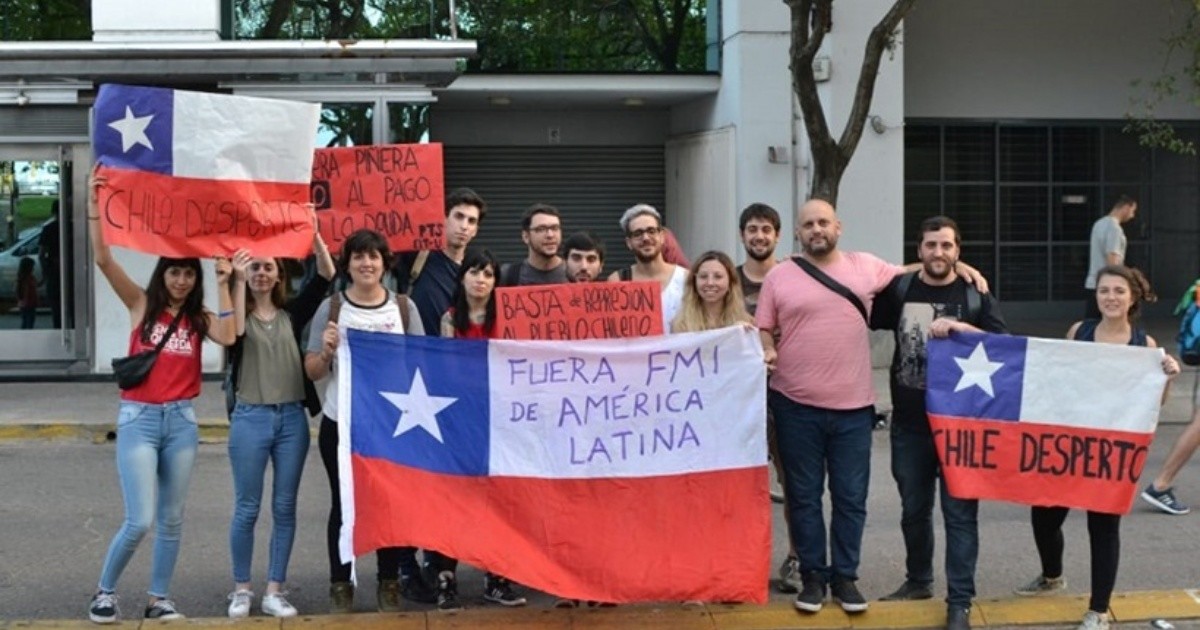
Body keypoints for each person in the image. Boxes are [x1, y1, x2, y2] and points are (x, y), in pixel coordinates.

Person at [756, 198, 987, 615]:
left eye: (823, 222)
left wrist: (963, 269)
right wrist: (768, 349)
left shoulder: (866, 267)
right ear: (798, 232)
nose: (816, 229)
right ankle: (813, 577)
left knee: (850, 498)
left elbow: (920, 269)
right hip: (794, 405)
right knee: (804, 496)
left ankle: (845, 577)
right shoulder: (780, 276)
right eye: (808, 224)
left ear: (838, 227)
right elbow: (764, 329)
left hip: (853, 408)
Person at [86, 171, 237, 624]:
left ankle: (159, 599)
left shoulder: (199, 318)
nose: (182, 280)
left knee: (172, 520)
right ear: (163, 273)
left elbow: (231, 333)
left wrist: (226, 280)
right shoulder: (140, 305)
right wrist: (94, 204)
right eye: (175, 271)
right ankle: (105, 591)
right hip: (139, 420)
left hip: (181, 424)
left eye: (190, 273)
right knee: (141, 519)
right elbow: (103, 259)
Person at [1014, 265, 1179, 630]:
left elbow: (1155, 403)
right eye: (1104, 290)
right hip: (1068, 444)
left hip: (1111, 452)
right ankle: (1052, 575)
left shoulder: (1145, 345)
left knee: (1103, 527)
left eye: (1119, 291)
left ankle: (1099, 609)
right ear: (1097, 296)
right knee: (1044, 515)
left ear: (1132, 297)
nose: (1111, 297)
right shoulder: (1080, 332)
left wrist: (1165, 376)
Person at [870, 216, 1009, 630]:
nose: (939, 253)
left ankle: (960, 601)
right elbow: (862, 302)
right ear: (919, 251)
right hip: (910, 424)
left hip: (961, 428)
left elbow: (1004, 345)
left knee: (959, 516)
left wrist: (964, 327)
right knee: (914, 510)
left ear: (957, 250)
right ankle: (918, 581)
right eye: (931, 245)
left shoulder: (975, 292)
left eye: (946, 246)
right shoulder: (899, 289)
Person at [304, 229, 424, 614]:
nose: (366, 264)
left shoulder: (404, 309)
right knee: (343, 505)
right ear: (348, 264)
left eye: (373, 256)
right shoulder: (332, 308)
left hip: (391, 426)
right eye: (358, 257)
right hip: (341, 425)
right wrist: (325, 352)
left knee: (386, 503)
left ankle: (388, 581)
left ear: (386, 262)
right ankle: (341, 584)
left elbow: (423, 366)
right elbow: (312, 372)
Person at [223, 228, 335, 619]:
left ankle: (274, 588)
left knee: (285, 507)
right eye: (254, 267)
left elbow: (325, 271)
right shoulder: (237, 315)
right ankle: (241, 588)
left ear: (279, 275)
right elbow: (234, 333)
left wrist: (314, 234)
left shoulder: (293, 314)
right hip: (250, 418)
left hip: (291, 419)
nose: (261, 273)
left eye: (268, 267)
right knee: (247, 508)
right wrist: (236, 281)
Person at [390, 188, 486, 602]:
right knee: (409, 483)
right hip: (411, 388)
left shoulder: (477, 273)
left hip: (457, 396)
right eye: (458, 217)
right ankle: (404, 567)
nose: (464, 226)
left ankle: (438, 563)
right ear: (442, 219)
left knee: (448, 487)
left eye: (472, 221)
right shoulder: (419, 257)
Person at [428, 248, 527, 610]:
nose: (481, 280)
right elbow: (447, 371)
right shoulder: (450, 319)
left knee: (497, 500)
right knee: (453, 502)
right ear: (463, 277)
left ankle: (496, 577)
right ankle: (446, 577)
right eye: (475, 272)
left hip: (502, 423)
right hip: (458, 423)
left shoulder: (512, 317)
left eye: (488, 274)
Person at [735, 202, 795, 582]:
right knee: (737, 484)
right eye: (752, 229)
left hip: (788, 393)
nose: (759, 236)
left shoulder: (793, 276)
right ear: (742, 235)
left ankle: (797, 557)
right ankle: (739, 561)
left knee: (794, 482)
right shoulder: (724, 278)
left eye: (766, 229)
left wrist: (962, 268)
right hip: (737, 399)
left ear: (777, 235)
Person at [607, 204, 688, 331]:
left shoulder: (686, 278)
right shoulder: (617, 281)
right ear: (629, 243)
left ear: (662, 236)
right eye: (638, 233)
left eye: (651, 231)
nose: (645, 238)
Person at [671, 250, 751, 333]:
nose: (710, 283)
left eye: (718, 276)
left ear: (731, 282)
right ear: (694, 282)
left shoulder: (747, 322)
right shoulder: (680, 325)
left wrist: (740, 334)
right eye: (703, 276)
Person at [1084, 196, 1137, 319]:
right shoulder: (1114, 229)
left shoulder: (1099, 224)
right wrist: (1119, 282)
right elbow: (1112, 257)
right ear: (1126, 207)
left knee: (1091, 322)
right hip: (1107, 285)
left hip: (1093, 282)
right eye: (1132, 211)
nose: (1132, 215)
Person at [499, 204, 565, 286]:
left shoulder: (574, 273)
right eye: (541, 229)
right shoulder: (507, 275)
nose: (550, 235)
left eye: (555, 228)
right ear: (526, 236)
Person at [37, 199, 61, 328]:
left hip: (54, 273)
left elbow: (41, 254)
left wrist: (46, 272)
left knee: (56, 310)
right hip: (72, 273)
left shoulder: (48, 229)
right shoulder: (74, 227)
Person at [16, 255, 37, 329]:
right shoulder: (29, 279)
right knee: (29, 321)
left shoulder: (21, 278)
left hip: (24, 304)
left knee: (25, 321)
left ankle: (23, 334)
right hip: (29, 303)